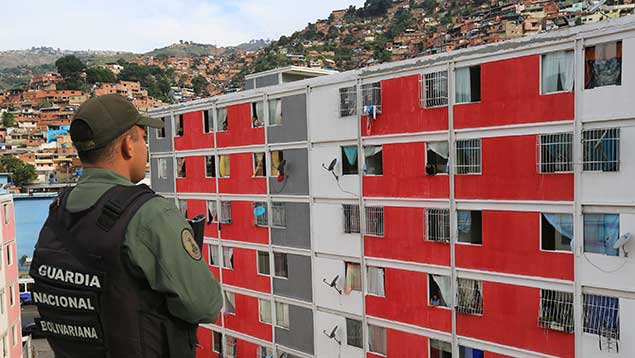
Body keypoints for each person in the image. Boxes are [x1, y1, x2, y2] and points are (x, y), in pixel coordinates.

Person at [29, 94, 223, 358]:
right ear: (127, 145)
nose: (146, 146)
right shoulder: (151, 214)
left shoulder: (58, 211)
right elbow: (205, 305)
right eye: (143, 138)